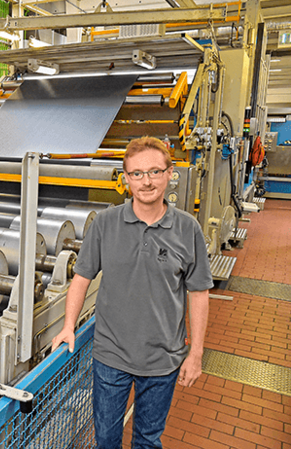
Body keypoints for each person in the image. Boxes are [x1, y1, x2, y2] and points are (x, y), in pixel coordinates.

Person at [51, 136, 212, 449]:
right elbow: (82, 277)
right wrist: (68, 325)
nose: (146, 181)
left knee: (148, 441)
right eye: (137, 173)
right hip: (111, 356)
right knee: (106, 440)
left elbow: (199, 293)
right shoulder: (105, 224)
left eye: (154, 172)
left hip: (163, 359)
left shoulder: (187, 228)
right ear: (126, 179)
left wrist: (196, 354)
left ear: (170, 173)